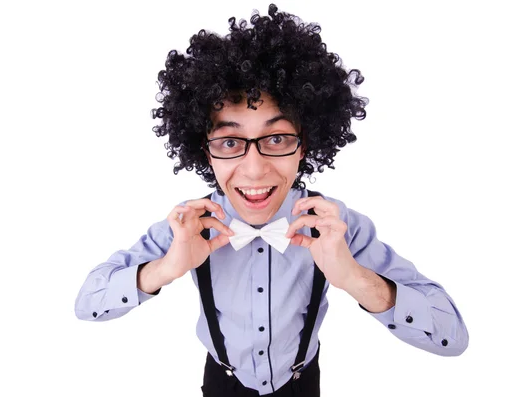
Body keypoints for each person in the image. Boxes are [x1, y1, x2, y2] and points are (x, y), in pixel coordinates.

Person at [74, 4, 469, 396]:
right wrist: (163, 269)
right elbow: (87, 303)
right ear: (206, 151)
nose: (253, 170)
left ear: (304, 146)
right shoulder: (188, 226)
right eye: (230, 142)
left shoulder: (337, 225)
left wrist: (356, 280)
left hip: (301, 385)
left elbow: (452, 335)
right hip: (221, 384)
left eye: (276, 138)